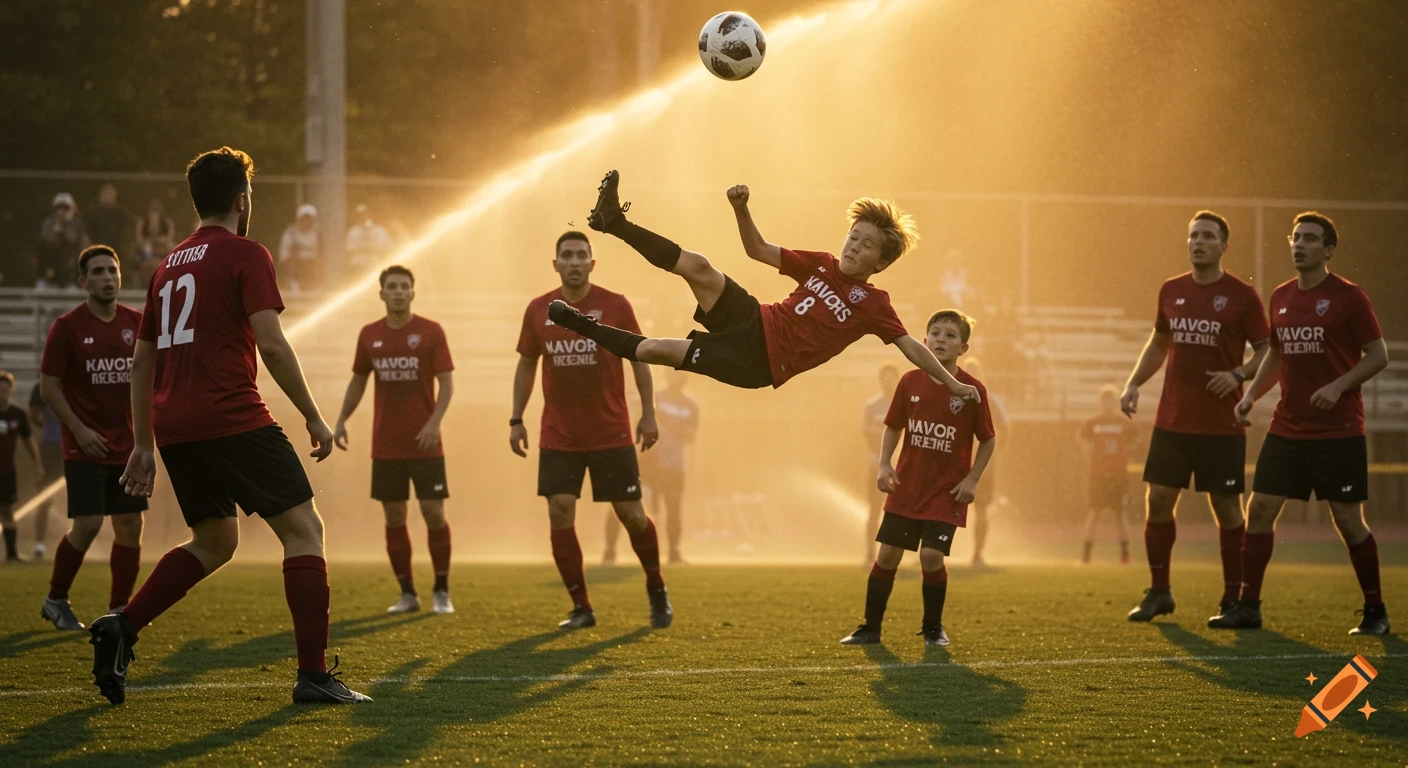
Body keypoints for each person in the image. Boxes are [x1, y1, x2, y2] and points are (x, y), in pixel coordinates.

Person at [89, 146, 369, 705]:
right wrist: (314, 414)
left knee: (214, 541)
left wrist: (144, 443)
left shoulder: (167, 266)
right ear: (244, 199)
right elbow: (272, 343)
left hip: (175, 427)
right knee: (304, 530)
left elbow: (142, 361)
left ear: (196, 201)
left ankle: (123, 625)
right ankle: (313, 676)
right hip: (232, 415)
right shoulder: (247, 253)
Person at [545, 172, 981, 407]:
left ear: (880, 263)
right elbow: (755, 249)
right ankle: (612, 221)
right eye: (854, 236)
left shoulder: (874, 304)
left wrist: (950, 383)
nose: (854, 247)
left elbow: (912, 348)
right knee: (697, 266)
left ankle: (579, 324)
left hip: (758, 362)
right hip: (754, 317)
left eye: (867, 245)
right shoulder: (822, 264)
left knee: (658, 349)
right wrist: (741, 209)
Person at [1211, 212, 1391, 635]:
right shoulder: (1280, 296)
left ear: (1328, 250)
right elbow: (1276, 353)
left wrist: (1337, 387)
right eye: (1296, 237)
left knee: (1348, 520)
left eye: (1310, 239)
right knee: (1260, 510)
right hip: (1287, 427)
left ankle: (1375, 611)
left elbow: (1378, 355)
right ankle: (1248, 606)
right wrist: (1251, 395)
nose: (1300, 245)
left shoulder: (1349, 297)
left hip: (1339, 429)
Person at [511, 230, 671, 630]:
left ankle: (656, 588)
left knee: (632, 516)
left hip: (610, 430)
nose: (575, 261)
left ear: (592, 263)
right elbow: (527, 364)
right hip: (559, 433)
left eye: (582, 254)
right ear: (556, 264)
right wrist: (516, 418)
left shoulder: (615, 306)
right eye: (567, 255)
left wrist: (648, 413)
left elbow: (639, 358)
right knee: (560, 509)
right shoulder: (537, 310)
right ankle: (581, 607)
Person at [1120, 211, 1270, 623]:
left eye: (1207, 236)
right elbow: (1159, 342)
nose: (1198, 242)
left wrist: (1238, 374)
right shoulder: (1171, 290)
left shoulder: (1242, 295)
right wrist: (1133, 382)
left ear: (1224, 246)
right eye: (1193, 236)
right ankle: (1159, 592)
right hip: (1172, 420)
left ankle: (1233, 598)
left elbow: (1268, 350)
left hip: (1221, 424)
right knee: (1159, 500)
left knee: (1225, 507)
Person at [839, 310, 995, 647]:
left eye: (950, 335)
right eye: (935, 333)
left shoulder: (972, 390)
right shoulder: (910, 381)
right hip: (908, 486)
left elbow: (989, 438)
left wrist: (972, 481)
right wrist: (884, 464)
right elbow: (893, 425)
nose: (941, 339)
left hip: (946, 491)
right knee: (887, 556)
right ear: (924, 341)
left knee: (930, 557)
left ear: (963, 348)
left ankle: (933, 629)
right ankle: (870, 628)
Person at [333, 265, 455, 615]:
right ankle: (407, 594)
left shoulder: (431, 332)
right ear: (382, 294)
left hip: (426, 442)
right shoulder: (369, 335)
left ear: (413, 293)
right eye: (392, 287)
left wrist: (434, 424)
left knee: (433, 513)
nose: (399, 292)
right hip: (386, 443)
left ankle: (442, 590)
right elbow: (358, 380)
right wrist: (342, 420)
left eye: (404, 286)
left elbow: (446, 383)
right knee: (394, 515)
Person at [38, 246, 147, 631]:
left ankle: (119, 609)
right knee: (87, 525)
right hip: (84, 447)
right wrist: (80, 431)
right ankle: (55, 599)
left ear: (120, 276)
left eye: (112, 270)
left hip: (128, 447)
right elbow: (49, 387)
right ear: (83, 281)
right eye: (97, 271)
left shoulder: (138, 323)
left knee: (131, 523)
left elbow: (151, 379)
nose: (107, 277)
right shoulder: (67, 328)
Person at [604, 368, 699, 565]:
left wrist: (671, 423)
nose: (677, 376)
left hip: (674, 465)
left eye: (680, 373)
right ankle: (610, 550)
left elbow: (691, 437)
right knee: (623, 503)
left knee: (673, 509)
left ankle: (673, 552)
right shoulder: (653, 398)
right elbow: (634, 421)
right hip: (646, 461)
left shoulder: (691, 405)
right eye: (673, 372)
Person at [1079, 386, 1136, 564]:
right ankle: (1086, 557)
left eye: (1111, 400)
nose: (1107, 404)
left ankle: (1125, 557)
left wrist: (1121, 457)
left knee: (1121, 514)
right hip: (1098, 476)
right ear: (1100, 403)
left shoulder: (1124, 423)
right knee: (1094, 513)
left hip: (1118, 476)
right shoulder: (1092, 423)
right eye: (1104, 400)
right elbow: (1081, 440)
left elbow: (1134, 441)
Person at [964, 356, 1007, 567]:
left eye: (975, 372)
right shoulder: (954, 394)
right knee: (942, 507)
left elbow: (1005, 429)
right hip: (955, 464)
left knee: (981, 510)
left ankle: (977, 553)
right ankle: (933, 550)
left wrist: (991, 456)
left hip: (982, 468)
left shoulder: (991, 401)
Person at [0, 371, 44, 562]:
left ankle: (11, 554)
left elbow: (28, 441)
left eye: (5, 389)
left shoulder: (17, 415)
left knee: (8, 511)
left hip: (7, 472)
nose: (2, 392)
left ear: (11, 390)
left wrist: (39, 464)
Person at [862, 365, 900, 565]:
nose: (888, 382)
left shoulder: (905, 404)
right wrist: (884, 457)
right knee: (874, 509)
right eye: (884, 378)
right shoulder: (872, 405)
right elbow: (867, 435)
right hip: (876, 466)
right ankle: (870, 554)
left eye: (892, 378)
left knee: (900, 512)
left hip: (901, 468)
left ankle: (895, 554)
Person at [27, 380, 62, 560]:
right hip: (51, 449)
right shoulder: (41, 386)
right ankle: (40, 544)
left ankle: (81, 539)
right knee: (44, 498)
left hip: (79, 446)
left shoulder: (80, 378)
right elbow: (33, 415)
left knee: (83, 497)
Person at [84, 185, 138, 275]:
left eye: (110, 195)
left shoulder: (120, 213)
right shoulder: (92, 213)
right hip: (96, 247)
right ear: (100, 196)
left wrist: (131, 242)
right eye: (105, 194)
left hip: (117, 249)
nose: (107, 197)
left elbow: (136, 222)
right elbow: (83, 228)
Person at [37, 193, 89, 285]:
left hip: (72, 273)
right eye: (59, 208)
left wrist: (66, 232)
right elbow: (45, 244)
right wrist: (56, 232)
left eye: (66, 208)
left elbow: (83, 246)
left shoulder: (78, 225)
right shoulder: (48, 223)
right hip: (50, 269)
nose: (62, 211)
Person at [279, 204, 322, 291]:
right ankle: (293, 285)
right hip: (295, 265)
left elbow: (320, 252)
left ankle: (316, 285)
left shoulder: (318, 233)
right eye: (304, 218)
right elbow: (284, 255)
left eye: (309, 218)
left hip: (311, 264)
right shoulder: (290, 232)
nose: (306, 221)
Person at [136, 199, 177, 288]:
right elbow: (140, 241)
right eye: (151, 213)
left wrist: (157, 241)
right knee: (146, 249)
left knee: (172, 247)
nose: (153, 216)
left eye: (156, 213)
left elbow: (169, 240)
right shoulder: (142, 223)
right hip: (148, 250)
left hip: (161, 249)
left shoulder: (167, 223)